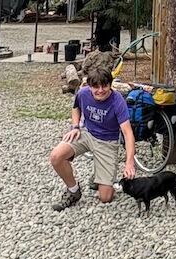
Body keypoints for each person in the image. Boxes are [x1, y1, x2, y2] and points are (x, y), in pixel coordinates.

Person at [49, 63, 136, 209]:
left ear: (110, 85)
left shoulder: (117, 101)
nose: (100, 90)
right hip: (87, 134)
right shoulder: (83, 93)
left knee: (105, 197)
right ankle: (73, 191)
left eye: (104, 86)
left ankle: (100, 176)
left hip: (107, 142)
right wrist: (75, 126)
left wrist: (129, 163)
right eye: (96, 87)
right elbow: (76, 107)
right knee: (56, 156)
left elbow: (128, 134)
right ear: (89, 86)